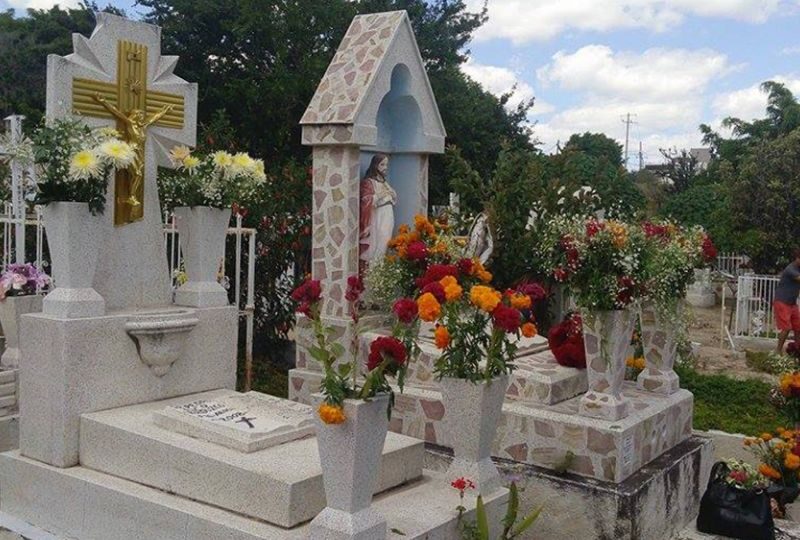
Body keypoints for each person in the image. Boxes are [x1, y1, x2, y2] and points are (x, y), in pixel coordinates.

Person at [358, 154, 396, 271]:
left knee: (386, 242)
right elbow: (365, 199)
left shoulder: (384, 182)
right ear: (375, 165)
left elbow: (393, 197)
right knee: (379, 242)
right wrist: (379, 195)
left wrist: (391, 194)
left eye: (386, 165)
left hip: (387, 215)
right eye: (382, 164)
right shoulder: (368, 182)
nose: (385, 167)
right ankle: (374, 270)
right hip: (377, 215)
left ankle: (379, 269)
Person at [774, 248, 800, 353]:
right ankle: (778, 351)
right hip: (782, 301)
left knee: (798, 327)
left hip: (792, 303)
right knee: (786, 328)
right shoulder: (791, 269)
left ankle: (798, 350)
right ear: (797, 258)